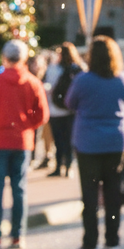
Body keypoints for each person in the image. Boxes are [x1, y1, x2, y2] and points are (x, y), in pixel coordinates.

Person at [65, 36, 124, 249]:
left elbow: (70, 103)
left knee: (89, 194)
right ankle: (112, 240)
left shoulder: (82, 80)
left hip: (88, 141)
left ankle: (90, 243)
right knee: (113, 193)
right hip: (117, 142)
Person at [0, 39, 50, 249]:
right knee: (19, 189)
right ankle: (18, 235)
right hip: (21, 140)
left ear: (4, 58)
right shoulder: (33, 82)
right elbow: (42, 114)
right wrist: (27, 125)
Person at [43, 43, 85, 177]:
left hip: (55, 108)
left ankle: (58, 166)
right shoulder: (77, 68)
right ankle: (68, 166)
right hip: (71, 109)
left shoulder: (53, 68)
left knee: (58, 139)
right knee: (69, 139)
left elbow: (47, 86)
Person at [27, 50, 54, 169]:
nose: (35, 66)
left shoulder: (46, 75)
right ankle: (30, 158)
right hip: (28, 112)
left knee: (39, 135)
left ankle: (41, 156)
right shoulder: (28, 77)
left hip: (40, 112)